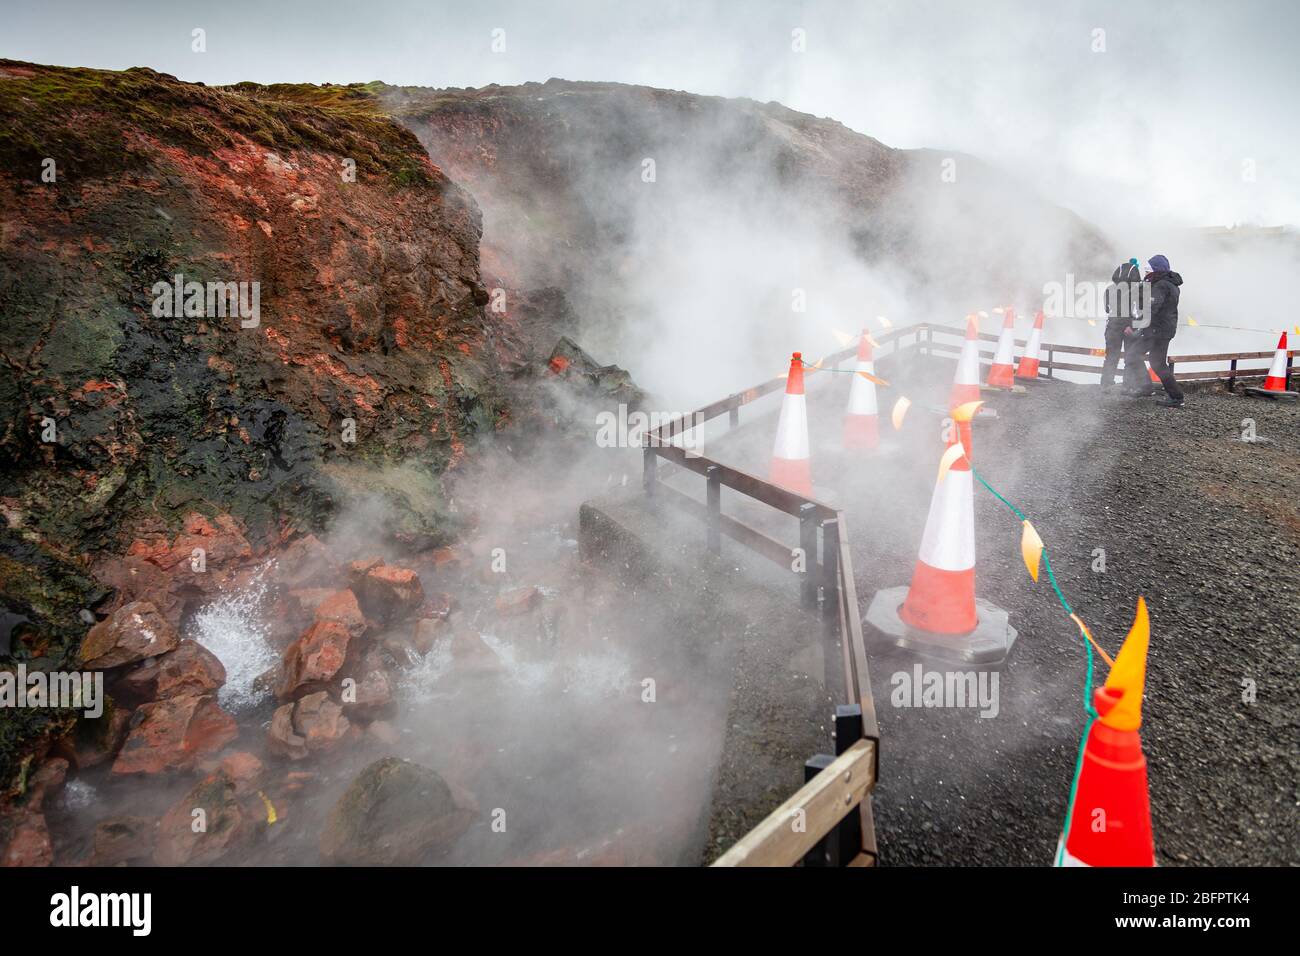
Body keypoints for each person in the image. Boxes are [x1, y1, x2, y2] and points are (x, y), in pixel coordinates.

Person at [1141, 254, 1185, 407]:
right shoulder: (1170, 284)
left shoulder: (1161, 285)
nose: (1146, 274)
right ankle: (1172, 395)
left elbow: (1152, 307)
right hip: (1163, 329)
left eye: (1148, 270)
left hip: (1158, 330)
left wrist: (1138, 322)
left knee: (1152, 361)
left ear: (1156, 270)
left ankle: (1176, 396)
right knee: (1154, 361)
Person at [1101, 259, 1143, 389]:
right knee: (1129, 356)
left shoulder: (1109, 289)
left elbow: (1107, 309)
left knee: (1111, 357)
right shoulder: (1137, 291)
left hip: (1112, 326)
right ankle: (1127, 385)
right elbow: (1139, 311)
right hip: (1129, 326)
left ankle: (1106, 384)